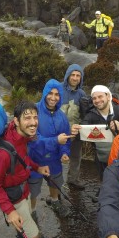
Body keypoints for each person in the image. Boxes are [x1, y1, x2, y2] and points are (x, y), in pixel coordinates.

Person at [0, 101, 52, 238]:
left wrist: (37, 167)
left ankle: (21, 236)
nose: (33, 122)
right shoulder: (1, 154)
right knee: (35, 237)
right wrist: (10, 211)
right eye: (27, 118)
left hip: (23, 189)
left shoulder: (21, 138)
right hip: (14, 198)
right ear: (15, 121)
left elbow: (22, 159)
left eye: (35, 117)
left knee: (26, 217)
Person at [28, 79, 78, 219]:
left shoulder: (62, 116)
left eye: (57, 94)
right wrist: (56, 140)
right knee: (33, 189)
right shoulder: (34, 112)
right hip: (35, 159)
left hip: (54, 159)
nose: (53, 97)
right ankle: (32, 211)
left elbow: (65, 139)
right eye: (50, 93)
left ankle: (54, 201)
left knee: (55, 182)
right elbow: (33, 139)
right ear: (44, 93)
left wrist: (64, 153)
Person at [81, 85, 119, 180]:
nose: (97, 100)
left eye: (100, 96)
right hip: (101, 155)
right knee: (104, 177)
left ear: (108, 96)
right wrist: (77, 129)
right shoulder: (91, 114)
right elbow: (84, 125)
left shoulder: (118, 109)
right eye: (94, 98)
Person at [60, 64, 87, 190]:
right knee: (56, 156)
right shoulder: (58, 89)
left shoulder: (82, 94)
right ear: (68, 75)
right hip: (59, 132)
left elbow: (85, 113)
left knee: (76, 156)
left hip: (76, 132)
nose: (75, 78)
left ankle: (73, 179)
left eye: (78, 75)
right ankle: (55, 183)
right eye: (73, 75)